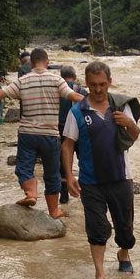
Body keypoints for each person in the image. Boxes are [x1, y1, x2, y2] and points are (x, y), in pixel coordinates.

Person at [0, 48, 84, 217]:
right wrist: (100, 105)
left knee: (24, 169)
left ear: (30, 63)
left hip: (28, 134)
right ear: (48, 62)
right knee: (52, 175)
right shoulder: (57, 80)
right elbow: (74, 96)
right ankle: (53, 211)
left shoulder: (23, 81)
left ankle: (31, 194)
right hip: (50, 135)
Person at [62, 59, 140, 279]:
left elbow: (135, 135)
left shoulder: (121, 106)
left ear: (110, 82)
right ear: (86, 83)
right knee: (96, 228)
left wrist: (128, 123)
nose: (98, 90)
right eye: (93, 85)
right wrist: (69, 176)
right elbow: (67, 145)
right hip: (90, 181)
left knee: (125, 227)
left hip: (121, 177)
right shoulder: (78, 111)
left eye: (102, 84)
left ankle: (123, 253)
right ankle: (99, 273)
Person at [57, 64, 84, 208]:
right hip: (79, 129)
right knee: (83, 161)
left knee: (63, 163)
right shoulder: (81, 90)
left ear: (61, 77)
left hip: (60, 129)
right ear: (74, 77)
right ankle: (84, 194)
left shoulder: (57, 90)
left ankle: (64, 197)